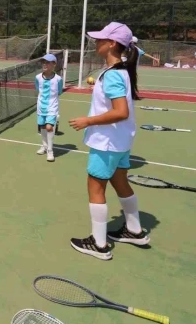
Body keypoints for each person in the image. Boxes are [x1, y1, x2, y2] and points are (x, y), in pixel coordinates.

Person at [68, 22, 148, 261]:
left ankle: (99, 243)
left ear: (112, 44)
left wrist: (88, 121)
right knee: (120, 183)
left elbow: (121, 111)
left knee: (95, 188)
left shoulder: (113, 74)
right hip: (120, 142)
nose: (96, 42)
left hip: (107, 142)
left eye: (100, 39)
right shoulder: (120, 71)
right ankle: (134, 230)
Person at [35, 54, 63, 162]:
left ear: (54, 64)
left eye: (48, 62)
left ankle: (50, 151)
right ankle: (44, 146)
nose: (45, 64)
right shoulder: (38, 77)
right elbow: (38, 89)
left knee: (49, 127)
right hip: (40, 106)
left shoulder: (58, 79)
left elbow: (59, 91)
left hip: (52, 107)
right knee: (42, 127)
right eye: (44, 62)